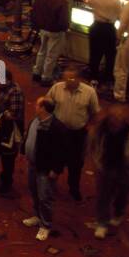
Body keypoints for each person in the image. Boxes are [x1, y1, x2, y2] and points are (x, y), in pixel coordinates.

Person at [88, 107, 129, 239]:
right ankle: (102, 223)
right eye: (113, 117)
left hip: (124, 169)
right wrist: (97, 163)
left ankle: (119, 213)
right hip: (105, 167)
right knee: (103, 196)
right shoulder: (100, 132)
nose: (116, 120)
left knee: (122, 194)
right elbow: (93, 147)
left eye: (119, 118)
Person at [47, 68, 99, 201]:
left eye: (72, 78)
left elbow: (94, 113)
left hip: (77, 134)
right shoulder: (56, 88)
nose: (68, 81)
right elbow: (47, 104)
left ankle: (73, 188)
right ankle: (50, 187)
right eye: (66, 78)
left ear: (79, 79)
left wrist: (88, 128)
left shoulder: (89, 92)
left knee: (75, 164)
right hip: (58, 132)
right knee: (54, 159)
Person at [21, 97, 68, 241]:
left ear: (43, 108)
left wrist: (56, 169)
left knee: (45, 197)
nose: (34, 107)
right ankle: (37, 216)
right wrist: (24, 151)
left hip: (46, 169)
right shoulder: (35, 121)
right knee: (34, 191)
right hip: (33, 164)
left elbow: (62, 151)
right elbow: (28, 135)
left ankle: (45, 225)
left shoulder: (56, 127)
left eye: (37, 105)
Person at [31, 0, 70, 85]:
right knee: (51, 55)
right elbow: (63, 20)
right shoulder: (61, 1)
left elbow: (35, 10)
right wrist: (65, 29)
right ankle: (46, 77)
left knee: (42, 51)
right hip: (55, 31)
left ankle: (36, 72)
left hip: (42, 28)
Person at [85, 0, 122, 86]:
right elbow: (120, 13)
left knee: (94, 54)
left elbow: (88, 3)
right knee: (110, 55)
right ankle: (108, 79)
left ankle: (93, 78)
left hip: (96, 26)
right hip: (109, 27)